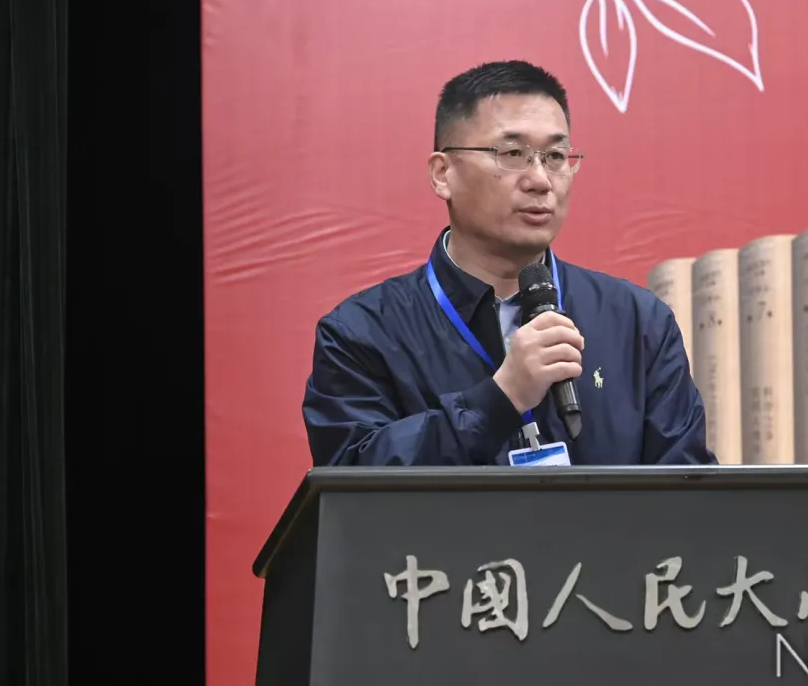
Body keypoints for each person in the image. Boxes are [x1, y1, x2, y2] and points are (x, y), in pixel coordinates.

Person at [302, 60, 715, 467]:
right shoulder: (363, 333)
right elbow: (353, 485)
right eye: (513, 153)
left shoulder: (638, 324)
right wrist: (500, 399)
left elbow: (688, 493)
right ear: (443, 174)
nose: (540, 180)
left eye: (556, 156)